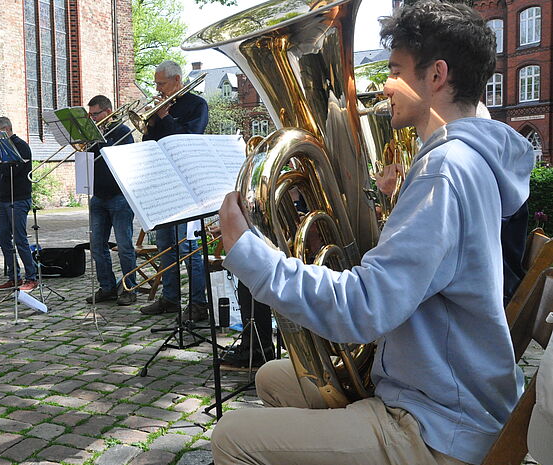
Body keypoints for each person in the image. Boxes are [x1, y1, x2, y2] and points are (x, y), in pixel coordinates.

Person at [212, 2, 534, 465]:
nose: (383, 84)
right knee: (272, 378)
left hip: (437, 424)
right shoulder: (466, 159)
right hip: (443, 389)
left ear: (436, 75)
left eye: (395, 69)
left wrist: (248, 253)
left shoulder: (445, 169)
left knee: (231, 435)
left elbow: (365, 309)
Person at [139, 60, 210, 320]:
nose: (158, 88)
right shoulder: (160, 108)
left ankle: (199, 304)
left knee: (187, 247)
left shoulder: (196, 106)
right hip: (163, 182)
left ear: (177, 81)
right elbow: (151, 143)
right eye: (156, 83)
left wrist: (165, 118)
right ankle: (170, 298)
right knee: (165, 246)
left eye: (161, 83)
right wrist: (150, 125)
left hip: (187, 185)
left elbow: (188, 138)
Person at [85, 95, 138, 306]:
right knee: (97, 246)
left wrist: (97, 140)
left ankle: (129, 289)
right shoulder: (91, 135)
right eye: (89, 115)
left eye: (94, 114)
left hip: (119, 197)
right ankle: (107, 287)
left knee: (124, 246)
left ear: (107, 112)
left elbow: (122, 159)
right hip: (98, 196)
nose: (91, 118)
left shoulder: (122, 132)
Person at [0, 117, 38, 292]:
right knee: (4, 240)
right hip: (4, 198)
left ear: (6, 131)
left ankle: (32, 277)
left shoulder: (20, 146)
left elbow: (13, 171)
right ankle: (14, 277)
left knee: (20, 239)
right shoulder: (0, 148)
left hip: (19, 198)